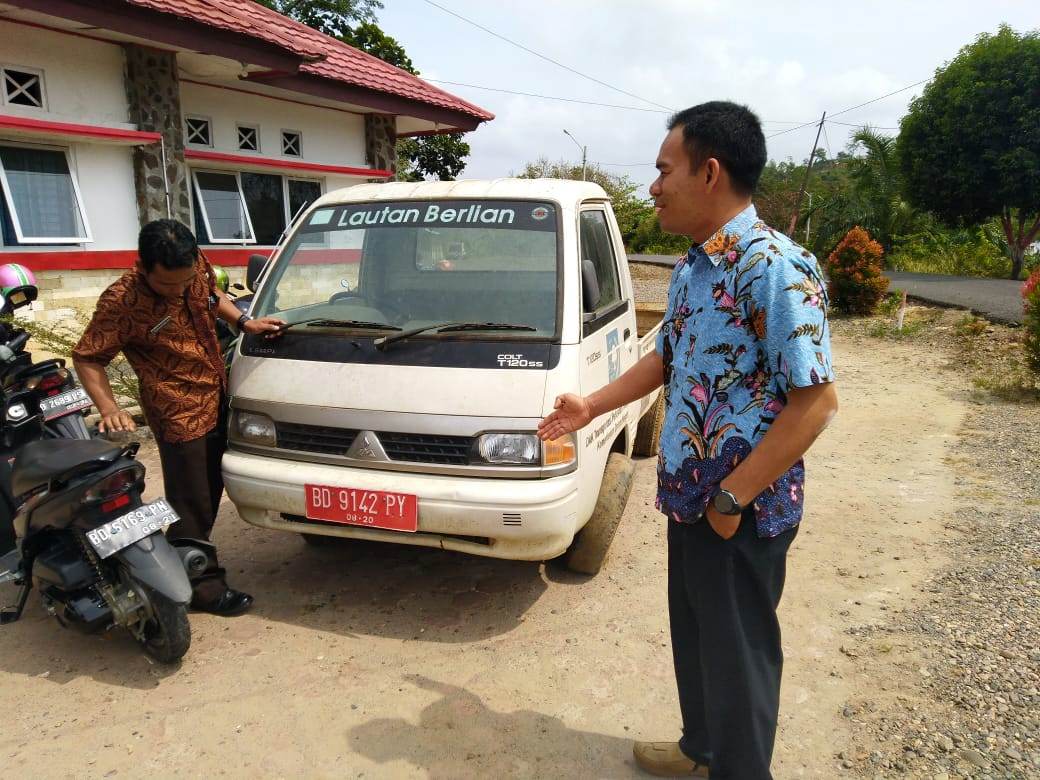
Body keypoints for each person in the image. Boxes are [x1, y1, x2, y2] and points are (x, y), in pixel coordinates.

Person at [538, 102, 839, 779]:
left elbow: (815, 404)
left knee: (739, 655)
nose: (652, 186)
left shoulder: (775, 268)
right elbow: (666, 358)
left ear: (709, 172)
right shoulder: (694, 268)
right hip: (691, 498)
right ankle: (701, 746)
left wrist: (732, 499)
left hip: (741, 510)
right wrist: (592, 403)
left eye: (662, 170)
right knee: (698, 638)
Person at [73, 220, 284, 616]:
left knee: (210, 490)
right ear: (143, 267)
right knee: (192, 500)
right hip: (177, 410)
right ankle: (202, 587)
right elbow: (87, 357)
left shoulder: (193, 265)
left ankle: (178, 561)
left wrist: (243, 321)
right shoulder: (121, 300)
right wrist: (108, 407)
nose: (179, 291)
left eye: (185, 281)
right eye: (168, 286)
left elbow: (211, 295)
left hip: (217, 392)